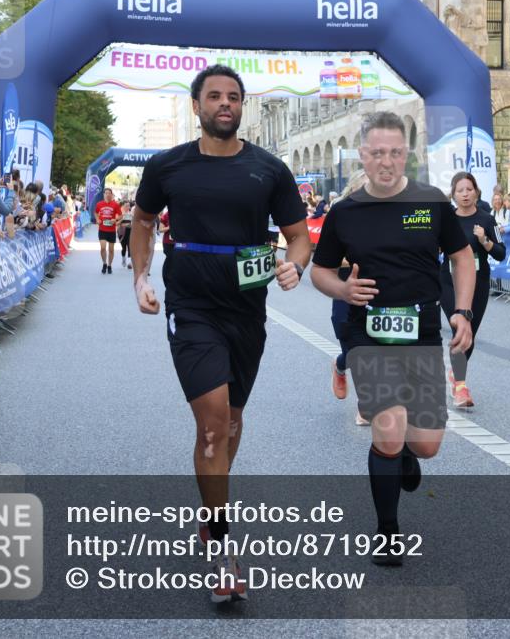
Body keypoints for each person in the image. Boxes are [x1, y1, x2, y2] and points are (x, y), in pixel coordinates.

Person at [129, 64, 310, 602]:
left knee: (231, 421)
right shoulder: (168, 165)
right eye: (215, 96)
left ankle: (211, 509)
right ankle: (222, 546)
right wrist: (140, 276)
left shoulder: (269, 169)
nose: (225, 104)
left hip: (247, 309)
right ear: (197, 105)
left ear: (242, 105)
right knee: (211, 427)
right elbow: (141, 220)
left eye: (233, 97)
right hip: (191, 305)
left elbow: (299, 237)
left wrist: (294, 265)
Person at [311, 111, 474, 566]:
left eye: (395, 153)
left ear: (408, 155)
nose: (386, 162)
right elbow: (320, 272)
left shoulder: (431, 202)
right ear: (362, 155)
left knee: (426, 445)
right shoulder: (345, 212)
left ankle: (404, 451)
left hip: (421, 333)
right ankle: (387, 532)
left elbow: (462, 258)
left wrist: (461, 312)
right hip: (368, 333)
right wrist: (342, 289)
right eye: (377, 153)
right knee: (385, 428)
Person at [441, 171, 506, 407]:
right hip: (448, 281)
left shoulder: (487, 220)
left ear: (476, 192)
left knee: (470, 335)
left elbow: (501, 253)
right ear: (453, 194)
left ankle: (456, 373)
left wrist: (485, 241)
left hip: (478, 283)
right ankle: (460, 385)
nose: (465, 194)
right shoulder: (446, 219)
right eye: (460, 190)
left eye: (469, 189)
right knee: (460, 327)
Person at [327, 170, 370, 426]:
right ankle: (339, 364)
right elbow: (326, 259)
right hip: (344, 286)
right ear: (353, 190)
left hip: (374, 290)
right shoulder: (340, 214)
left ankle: (366, 405)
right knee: (353, 350)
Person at [94, 188, 122, 274]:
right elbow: (95, 213)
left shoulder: (115, 205)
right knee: (102, 248)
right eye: (106, 193)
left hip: (111, 230)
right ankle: (104, 263)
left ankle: (109, 265)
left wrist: (116, 221)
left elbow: (121, 216)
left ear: (111, 195)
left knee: (111, 250)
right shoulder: (99, 204)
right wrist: (97, 219)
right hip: (102, 229)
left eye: (109, 193)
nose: (107, 195)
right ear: (104, 194)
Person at [118, 201, 133, 269]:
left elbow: (133, 223)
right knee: (123, 247)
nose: (128, 207)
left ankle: (130, 263)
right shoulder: (120, 213)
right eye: (126, 205)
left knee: (130, 246)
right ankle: (123, 259)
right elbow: (117, 223)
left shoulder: (131, 214)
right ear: (123, 206)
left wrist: (131, 224)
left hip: (130, 232)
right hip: (122, 232)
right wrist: (123, 219)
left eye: (129, 205)